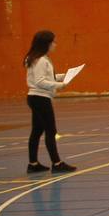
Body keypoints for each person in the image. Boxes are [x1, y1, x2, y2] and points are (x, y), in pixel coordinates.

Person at [23, 30, 76, 174]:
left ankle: (33, 164)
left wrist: (61, 77)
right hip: (40, 98)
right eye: (53, 41)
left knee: (37, 130)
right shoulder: (40, 60)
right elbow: (40, 82)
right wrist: (61, 85)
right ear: (46, 43)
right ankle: (57, 163)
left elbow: (44, 78)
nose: (55, 44)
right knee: (50, 131)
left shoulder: (38, 58)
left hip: (36, 98)